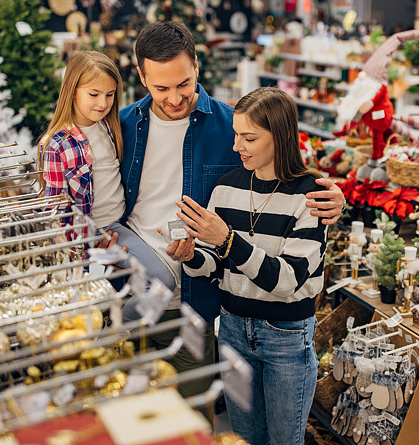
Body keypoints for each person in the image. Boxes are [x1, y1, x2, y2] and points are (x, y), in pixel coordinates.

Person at [118, 22, 344, 399]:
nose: (174, 98)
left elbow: (286, 170)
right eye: (161, 88)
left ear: (196, 65)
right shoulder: (123, 125)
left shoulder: (232, 126)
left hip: (197, 300)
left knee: (193, 419)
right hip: (133, 294)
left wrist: (334, 196)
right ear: (141, 76)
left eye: (183, 83)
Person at [169, 87, 325, 445]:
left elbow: (285, 280)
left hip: (286, 337)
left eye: (249, 137)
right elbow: (217, 267)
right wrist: (191, 255)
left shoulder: (310, 197)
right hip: (234, 333)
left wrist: (227, 240)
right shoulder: (225, 189)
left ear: (282, 136)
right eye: (237, 134)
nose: (237, 146)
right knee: (243, 439)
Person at [38, 51, 175, 291]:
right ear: (72, 91)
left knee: (161, 282)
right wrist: (78, 255)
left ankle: (121, 327)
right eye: (94, 94)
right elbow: (55, 209)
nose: (103, 103)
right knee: (99, 299)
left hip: (121, 227)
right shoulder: (57, 144)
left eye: (110, 95)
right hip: (88, 239)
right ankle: (115, 328)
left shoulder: (109, 127)